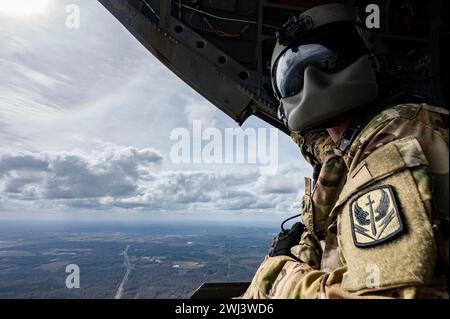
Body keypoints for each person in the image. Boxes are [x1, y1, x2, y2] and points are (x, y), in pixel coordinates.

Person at [240, 3, 448, 299]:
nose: (312, 79)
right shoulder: (361, 140)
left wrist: (277, 274)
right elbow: (324, 149)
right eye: (295, 74)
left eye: (326, 60)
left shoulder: (392, 143)